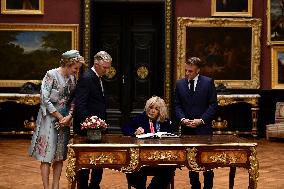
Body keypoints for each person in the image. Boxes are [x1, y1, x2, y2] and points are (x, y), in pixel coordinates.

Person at [28, 50, 84, 189]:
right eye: (75, 68)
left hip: (64, 120)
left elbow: (73, 99)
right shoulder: (51, 74)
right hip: (49, 120)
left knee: (59, 156)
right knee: (46, 156)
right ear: (67, 64)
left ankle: (56, 186)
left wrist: (69, 116)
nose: (77, 71)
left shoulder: (72, 78)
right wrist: (60, 117)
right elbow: (45, 99)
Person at [174, 57, 217, 189]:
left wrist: (201, 120)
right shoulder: (180, 84)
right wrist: (182, 119)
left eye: (190, 71)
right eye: (186, 70)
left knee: (207, 160)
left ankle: (208, 186)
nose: (187, 73)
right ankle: (195, 185)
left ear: (198, 70)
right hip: (187, 129)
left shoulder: (208, 82)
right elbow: (177, 105)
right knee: (191, 160)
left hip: (203, 128)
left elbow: (213, 105)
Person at [74, 51, 112, 189]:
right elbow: (81, 104)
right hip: (88, 130)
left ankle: (95, 186)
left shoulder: (98, 77)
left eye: (108, 67)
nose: (107, 71)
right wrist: (88, 125)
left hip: (98, 127)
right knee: (85, 160)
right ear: (96, 64)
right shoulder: (87, 77)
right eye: (105, 67)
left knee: (99, 158)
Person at [122, 96, 175, 189]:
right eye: (150, 108)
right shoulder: (141, 118)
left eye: (156, 109)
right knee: (133, 167)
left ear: (160, 111)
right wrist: (135, 131)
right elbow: (125, 128)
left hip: (161, 158)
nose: (152, 111)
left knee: (169, 169)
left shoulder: (165, 121)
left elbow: (171, 135)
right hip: (142, 158)